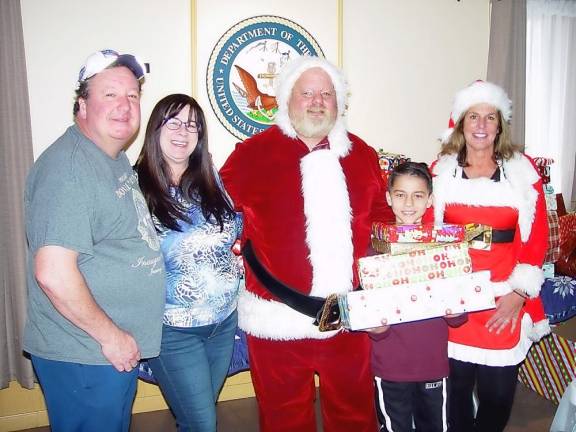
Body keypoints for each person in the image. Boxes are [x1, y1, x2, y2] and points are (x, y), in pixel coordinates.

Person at [220, 55, 394, 432]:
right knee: (283, 419)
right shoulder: (251, 155)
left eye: (326, 94)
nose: (317, 102)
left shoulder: (362, 155)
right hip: (276, 321)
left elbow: (384, 227)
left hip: (349, 322)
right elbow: (212, 214)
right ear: (287, 98)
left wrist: (382, 297)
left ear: (339, 102)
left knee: (354, 416)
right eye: (307, 93)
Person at [23, 49, 166, 432]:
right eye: (110, 95)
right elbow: (53, 272)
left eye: (132, 96)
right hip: (86, 352)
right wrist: (112, 338)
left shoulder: (110, 157)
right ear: (82, 105)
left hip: (103, 352)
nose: (124, 106)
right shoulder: (69, 169)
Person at [431, 80, 550, 432]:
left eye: (489, 117)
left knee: (498, 398)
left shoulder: (521, 172)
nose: (481, 125)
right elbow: (425, 233)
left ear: (500, 125)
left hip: (504, 300)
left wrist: (519, 294)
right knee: (455, 395)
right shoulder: (440, 172)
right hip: (457, 303)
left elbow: (537, 237)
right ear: (460, 123)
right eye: (473, 117)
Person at [136, 94, 243, 432]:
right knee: (202, 423)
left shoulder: (210, 178)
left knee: (197, 417)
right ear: (156, 129)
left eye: (192, 125)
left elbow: (234, 231)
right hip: (173, 330)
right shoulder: (135, 186)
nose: (184, 132)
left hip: (223, 323)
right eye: (174, 122)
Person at [368, 161, 467, 432]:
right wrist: (375, 328)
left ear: (430, 200)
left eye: (418, 195)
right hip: (389, 365)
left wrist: (457, 313)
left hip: (432, 363)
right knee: (394, 427)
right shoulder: (375, 250)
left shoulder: (444, 249)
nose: (409, 203)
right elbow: (368, 309)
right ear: (389, 198)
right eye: (400, 194)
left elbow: (459, 307)